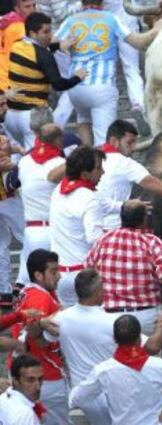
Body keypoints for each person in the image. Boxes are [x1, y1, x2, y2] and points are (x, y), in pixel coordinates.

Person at [38, 268, 162, 425]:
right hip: (113, 392)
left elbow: (42, 340)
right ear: (98, 292)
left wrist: (41, 322)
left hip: (84, 395)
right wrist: (161, 324)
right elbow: (153, 347)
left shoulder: (61, 318)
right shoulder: (112, 322)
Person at [54, 0, 161, 145]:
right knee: (103, 143)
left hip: (76, 89)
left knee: (84, 119)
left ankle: (86, 154)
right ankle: (101, 160)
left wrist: (60, 45)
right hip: (101, 88)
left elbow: (49, 42)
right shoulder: (111, 19)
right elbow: (140, 42)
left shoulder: (71, 20)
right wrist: (157, 29)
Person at [86, 201, 162, 334]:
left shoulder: (103, 240)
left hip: (109, 318)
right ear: (144, 219)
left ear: (121, 217)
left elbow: (88, 273)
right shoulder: (152, 242)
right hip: (146, 317)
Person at [70, 314, 162, 425]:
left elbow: (77, 398)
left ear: (114, 339)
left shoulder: (102, 371)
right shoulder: (161, 366)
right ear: (140, 337)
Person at [4, 12, 87, 151]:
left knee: (19, 158)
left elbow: (36, 51)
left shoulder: (17, 45)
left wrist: (58, 45)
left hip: (11, 117)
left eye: (50, 30)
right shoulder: (45, 56)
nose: (50, 35)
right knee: (40, 158)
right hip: (32, 118)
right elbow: (58, 84)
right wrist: (77, 77)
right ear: (33, 33)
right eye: (46, 32)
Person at [12, 249, 70, 425]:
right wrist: (42, 324)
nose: (59, 276)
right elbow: (32, 336)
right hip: (45, 377)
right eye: (53, 271)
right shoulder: (40, 299)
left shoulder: (32, 291)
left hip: (30, 375)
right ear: (38, 275)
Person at [49, 145, 106, 306]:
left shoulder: (58, 190)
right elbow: (94, 238)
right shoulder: (89, 198)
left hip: (60, 276)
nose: (103, 173)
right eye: (99, 168)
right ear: (85, 174)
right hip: (85, 277)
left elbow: (105, 204)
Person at [18, 123, 66, 285]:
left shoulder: (23, 162)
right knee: (55, 281)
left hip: (31, 230)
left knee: (26, 281)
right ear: (58, 140)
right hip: (53, 230)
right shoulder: (60, 163)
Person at [0, 90, 25, 309]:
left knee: (1, 245)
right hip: (7, 197)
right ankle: (22, 285)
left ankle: (5, 292)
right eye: (1, 105)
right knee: (30, 236)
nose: (5, 109)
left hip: (7, 195)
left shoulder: (3, 129)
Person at [0, 0, 36, 91]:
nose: (32, 10)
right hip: (10, 83)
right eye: (27, 7)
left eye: (34, 5)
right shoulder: (19, 28)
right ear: (17, 8)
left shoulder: (8, 19)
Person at [0, 355, 46, 425]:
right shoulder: (25, 415)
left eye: (40, 379)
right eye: (30, 380)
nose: (38, 387)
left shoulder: (3, 398)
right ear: (15, 380)